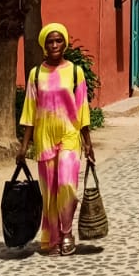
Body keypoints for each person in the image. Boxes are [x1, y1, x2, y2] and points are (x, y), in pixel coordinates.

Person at [17, 23, 94, 257]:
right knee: (49, 190)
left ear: (65, 44)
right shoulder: (35, 74)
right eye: (50, 41)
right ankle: (52, 237)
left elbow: (82, 109)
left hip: (69, 135)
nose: (54, 45)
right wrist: (23, 146)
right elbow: (30, 112)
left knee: (67, 186)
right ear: (43, 45)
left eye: (58, 41)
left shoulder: (75, 72)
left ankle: (68, 231)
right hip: (44, 138)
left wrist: (88, 142)